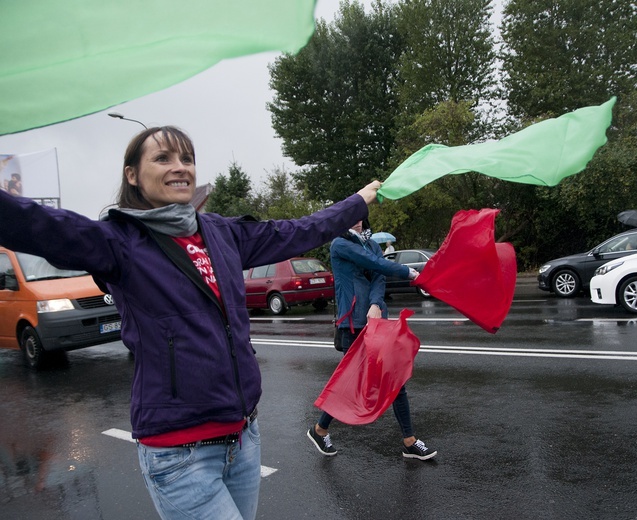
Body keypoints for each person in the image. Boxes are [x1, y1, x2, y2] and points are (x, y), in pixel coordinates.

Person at [0, 126, 382, 520]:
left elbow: (297, 230)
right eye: (163, 158)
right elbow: (35, 223)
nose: (179, 168)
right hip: (179, 452)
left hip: (243, 437)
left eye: (187, 158)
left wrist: (356, 203)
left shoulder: (221, 232)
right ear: (132, 174)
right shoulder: (118, 242)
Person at [307, 219, 437, 461]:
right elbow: (373, 263)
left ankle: (409, 441)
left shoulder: (373, 245)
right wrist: (408, 271)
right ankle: (319, 429)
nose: (356, 220)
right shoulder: (340, 244)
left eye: (360, 215)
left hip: (377, 321)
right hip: (352, 323)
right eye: (351, 215)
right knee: (350, 383)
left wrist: (376, 304)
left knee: (394, 378)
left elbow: (379, 275)